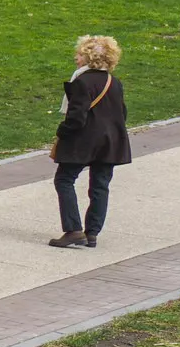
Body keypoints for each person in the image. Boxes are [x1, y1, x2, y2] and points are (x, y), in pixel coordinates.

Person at [49, 34, 132, 249]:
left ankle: (73, 229)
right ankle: (92, 233)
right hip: (110, 143)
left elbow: (76, 118)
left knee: (64, 180)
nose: (76, 58)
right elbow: (122, 113)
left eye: (79, 54)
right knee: (100, 186)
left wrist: (62, 131)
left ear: (89, 57)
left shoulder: (81, 82)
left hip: (83, 142)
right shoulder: (114, 82)